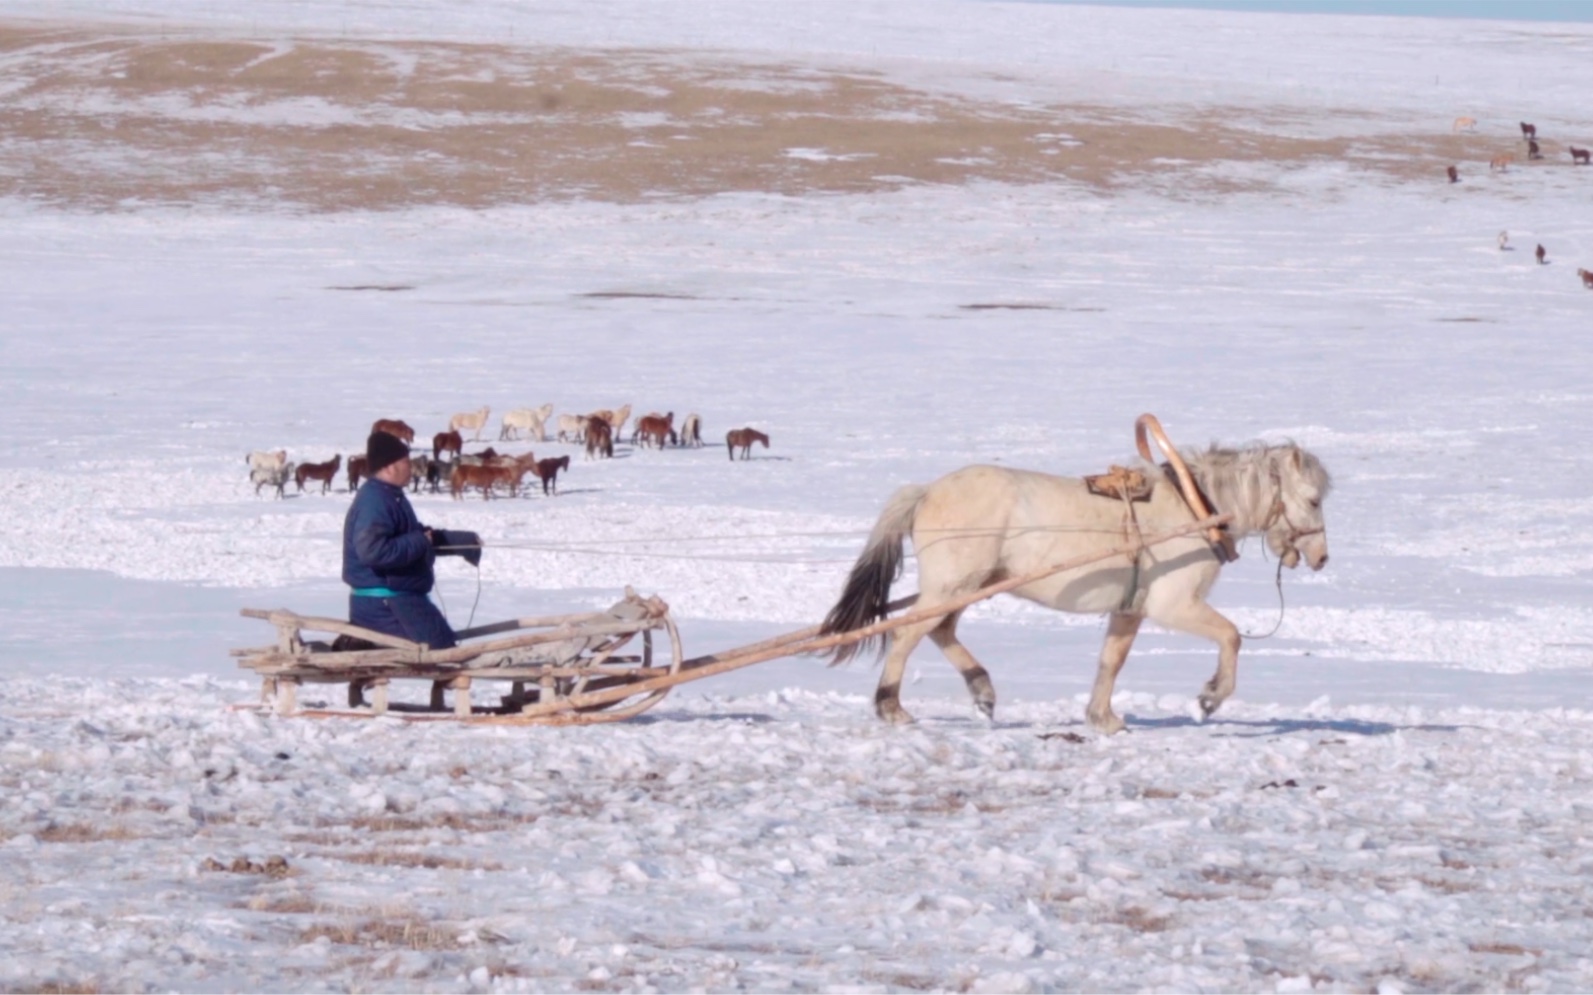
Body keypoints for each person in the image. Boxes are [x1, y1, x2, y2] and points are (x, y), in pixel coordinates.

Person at [342, 430, 473, 649]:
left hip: (397, 602)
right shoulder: (375, 501)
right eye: (406, 462)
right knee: (445, 655)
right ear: (389, 466)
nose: (411, 467)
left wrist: (462, 542)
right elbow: (373, 551)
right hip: (386, 608)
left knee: (446, 648)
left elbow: (411, 537)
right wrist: (421, 541)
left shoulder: (387, 495)